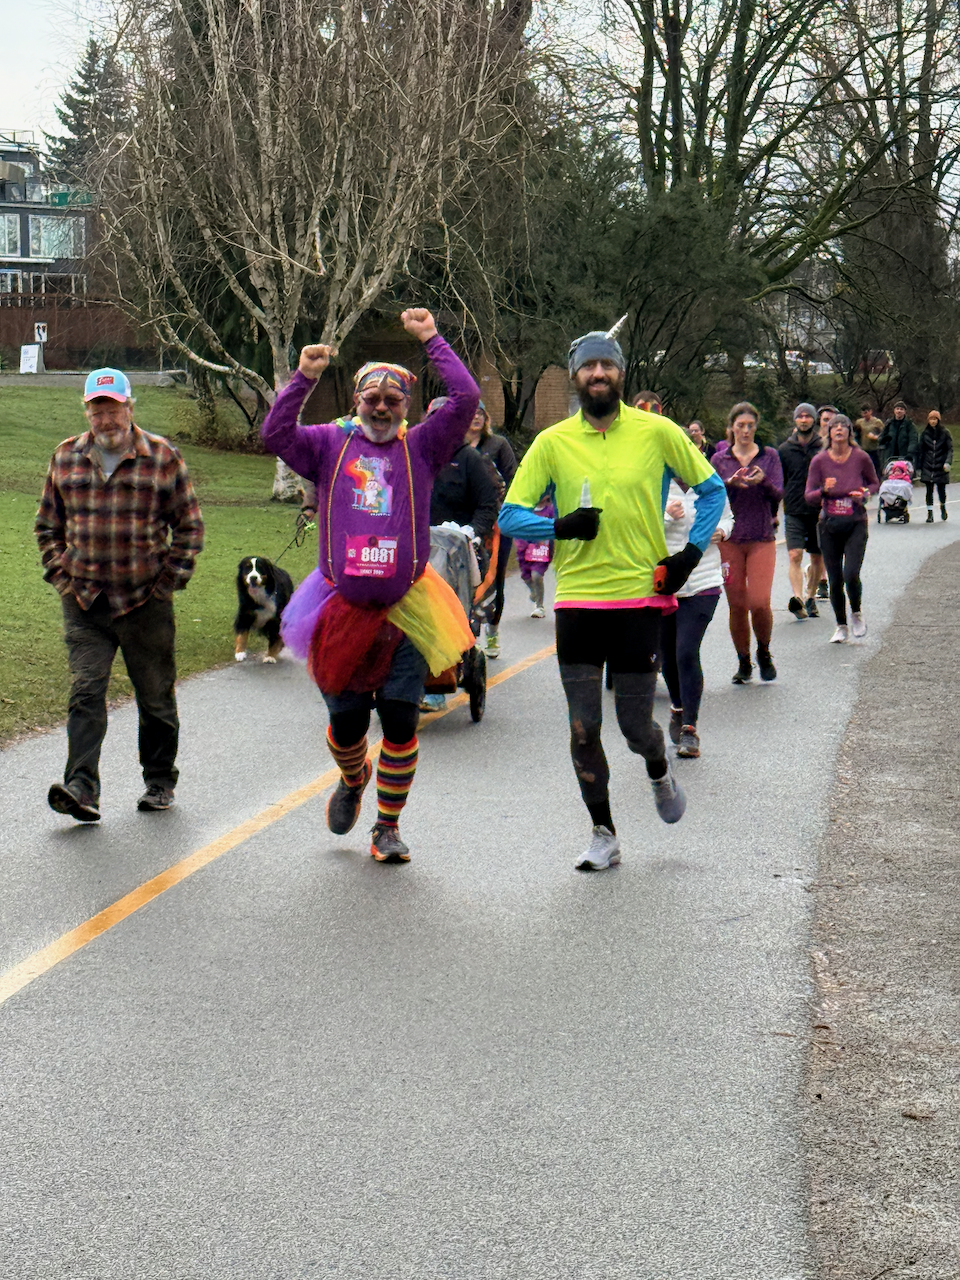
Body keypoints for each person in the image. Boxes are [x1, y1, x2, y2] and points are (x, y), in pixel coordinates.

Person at [498, 328, 725, 871]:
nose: (597, 373)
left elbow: (712, 490)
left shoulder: (657, 432)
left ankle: (658, 767)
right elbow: (510, 515)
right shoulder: (553, 442)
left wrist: (688, 556)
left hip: (638, 601)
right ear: (575, 375)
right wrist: (559, 527)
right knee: (582, 728)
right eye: (588, 366)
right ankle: (603, 833)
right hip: (578, 602)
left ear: (621, 373)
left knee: (635, 728)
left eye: (607, 365)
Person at [261, 309, 480, 863]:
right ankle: (353, 777)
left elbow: (467, 398)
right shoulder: (327, 445)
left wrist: (431, 339)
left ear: (406, 406)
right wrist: (303, 378)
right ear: (357, 400)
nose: (381, 407)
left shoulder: (423, 446)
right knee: (347, 723)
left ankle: (387, 827)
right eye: (372, 398)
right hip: (341, 606)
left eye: (393, 400)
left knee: (402, 721)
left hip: (408, 607)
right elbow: (275, 434)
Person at [36, 368, 204, 822]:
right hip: (84, 601)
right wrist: (62, 577)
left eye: (113, 409)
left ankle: (159, 781)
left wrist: (167, 584)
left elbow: (189, 527)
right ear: (86, 411)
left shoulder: (162, 456)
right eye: (97, 410)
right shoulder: (65, 456)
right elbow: (47, 526)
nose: (106, 419)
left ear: (130, 408)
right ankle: (81, 787)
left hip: (144, 602)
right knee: (85, 692)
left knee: (155, 698)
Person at [712, 402, 784, 684]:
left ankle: (763, 651)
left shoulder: (769, 456)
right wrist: (729, 483)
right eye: (740, 425)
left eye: (750, 425)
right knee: (737, 603)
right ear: (731, 428)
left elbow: (778, 493)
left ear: (756, 427)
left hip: (760, 537)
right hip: (730, 539)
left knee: (759, 601)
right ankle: (743, 661)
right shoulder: (720, 459)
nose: (745, 430)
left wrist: (762, 481)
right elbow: (710, 494)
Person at [661, 481, 733, 758]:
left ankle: (689, 729)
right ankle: (678, 707)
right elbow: (637, 529)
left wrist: (722, 531)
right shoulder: (655, 482)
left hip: (703, 580)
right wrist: (666, 516)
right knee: (667, 655)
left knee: (686, 651)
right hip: (664, 583)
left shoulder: (709, 483)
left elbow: (728, 517)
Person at [805, 415, 879, 643]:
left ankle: (856, 612)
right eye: (834, 426)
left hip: (855, 522)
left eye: (843, 426)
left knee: (851, 574)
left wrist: (864, 493)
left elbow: (874, 483)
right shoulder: (819, 461)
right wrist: (823, 491)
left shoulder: (860, 457)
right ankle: (841, 625)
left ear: (850, 431)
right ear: (828, 432)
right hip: (829, 525)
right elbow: (809, 496)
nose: (839, 429)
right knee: (835, 579)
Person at [465, 401, 517, 659]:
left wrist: (505, 506)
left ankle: (492, 630)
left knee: (494, 577)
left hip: (496, 525)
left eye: (480, 413)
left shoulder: (498, 445)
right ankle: (464, 634)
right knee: (464, 578)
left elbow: (514, 479)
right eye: (471, 413)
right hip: (464, 523)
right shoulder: (456, 446)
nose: (476, 417)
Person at [778, 402, 825, 620]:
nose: (804, 420)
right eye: (800, 416)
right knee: (794, 554)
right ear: (795, 420)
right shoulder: (785, 450)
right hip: (794, 509)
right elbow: (779, 481)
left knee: (817, 556)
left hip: (818, 510)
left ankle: (810, 596)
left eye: (807, 416)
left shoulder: (823, 447)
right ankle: (797, 598)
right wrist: (773, 512)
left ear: (814, 420)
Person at [514, 494, 556, 617]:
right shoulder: (525, 510)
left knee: (537, 576)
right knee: (526, 576)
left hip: (541, 551)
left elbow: (555, 527)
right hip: (524, 551)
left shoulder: (550, 510)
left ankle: (539, 606)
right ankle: (534, 591)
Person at [917, 410, 952, 522]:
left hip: (940, 466)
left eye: (935, 419)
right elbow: (921, 450)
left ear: (938, 420)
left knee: (941, 490)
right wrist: (918, 466)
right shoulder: (925, 433)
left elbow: (949, 449)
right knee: (929, 491)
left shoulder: (945, 433)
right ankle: (930, 513)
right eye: (931, 419)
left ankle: (943, 506)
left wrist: (947, 462)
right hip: (928, 466)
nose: (933, 421)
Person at [879, 401, 918, 472]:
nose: (899, 411)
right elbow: (881, 437)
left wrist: (910, 452)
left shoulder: (909, 425)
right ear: (894, 410)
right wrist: (884, 440)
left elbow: (913, 439)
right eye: (897, 409)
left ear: (905, 412)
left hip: (904, 455)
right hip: (890, 456)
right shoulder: (889, 423)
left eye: (901, 409)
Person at [855, 404, 882, 469]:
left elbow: (884, 434)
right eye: (862, 413)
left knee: (874, 468)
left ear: (870, 411)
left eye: (866, 413)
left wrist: (876, 437)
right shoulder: (859, 422)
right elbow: (856, 434)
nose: (864, 415)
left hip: (874, 450)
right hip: (863, 449)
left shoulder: (877, 422)